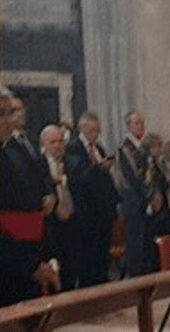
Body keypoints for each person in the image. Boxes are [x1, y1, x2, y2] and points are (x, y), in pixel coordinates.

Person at [0, 86, 60, 332]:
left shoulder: (15, 153)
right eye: (3, 113)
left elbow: (33, 212)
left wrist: (44, 257)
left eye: (10, 112)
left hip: (26, 263)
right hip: (6, 273)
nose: (10, 120)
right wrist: (28, 266)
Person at [67, 111, 119, 286]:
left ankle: (102, 281)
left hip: (103, 209)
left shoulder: (99, 149)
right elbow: (78, 177)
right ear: (82, 128)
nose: (96, 134)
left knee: (103, 251)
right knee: (89, 254)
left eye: (97, 130)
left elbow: (102, 177)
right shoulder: (73, 148)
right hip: (87, 211)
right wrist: (97, 167)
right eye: (92, 130)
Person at [39, 124, 80, 290]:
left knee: (72, 271)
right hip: (51, 226)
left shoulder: (73, 162)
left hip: (72, 223)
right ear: (44, 145)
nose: (58, 145)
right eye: (53, 142)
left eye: (61, 141)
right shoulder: (38, 165)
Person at [114, 110, 153, 276]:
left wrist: (152, 194)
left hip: (147, 199)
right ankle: (135, 275)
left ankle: (147, 273)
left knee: (147, 240)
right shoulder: (124, 148)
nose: (140, 126)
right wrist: (146, 195)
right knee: (135, 239)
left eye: (142, 122)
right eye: (136, 123)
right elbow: (131, 176)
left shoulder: (145, 147)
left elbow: (151, 171)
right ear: (129, 126)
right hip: (133, 199)